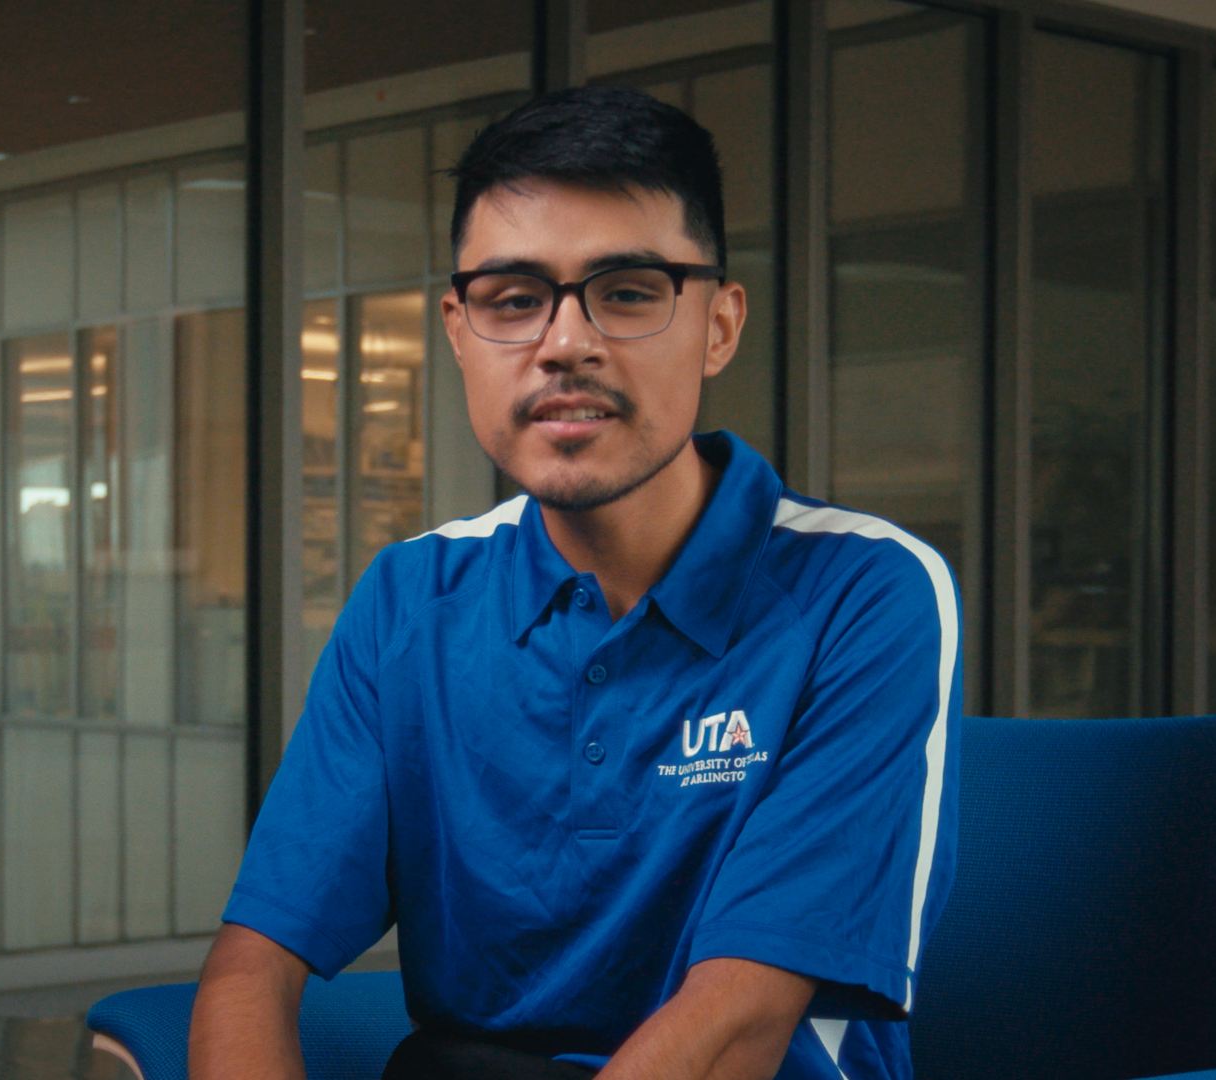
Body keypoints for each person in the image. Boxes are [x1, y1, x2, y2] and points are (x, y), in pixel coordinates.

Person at [190, 85, 961, 1080]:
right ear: (460, 332)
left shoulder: (863, 591)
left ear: (720, 325)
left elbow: (737, 1022)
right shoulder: (410, 597)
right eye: (514, 299)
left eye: (629, 292)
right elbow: (251, 971)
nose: (565, 343)